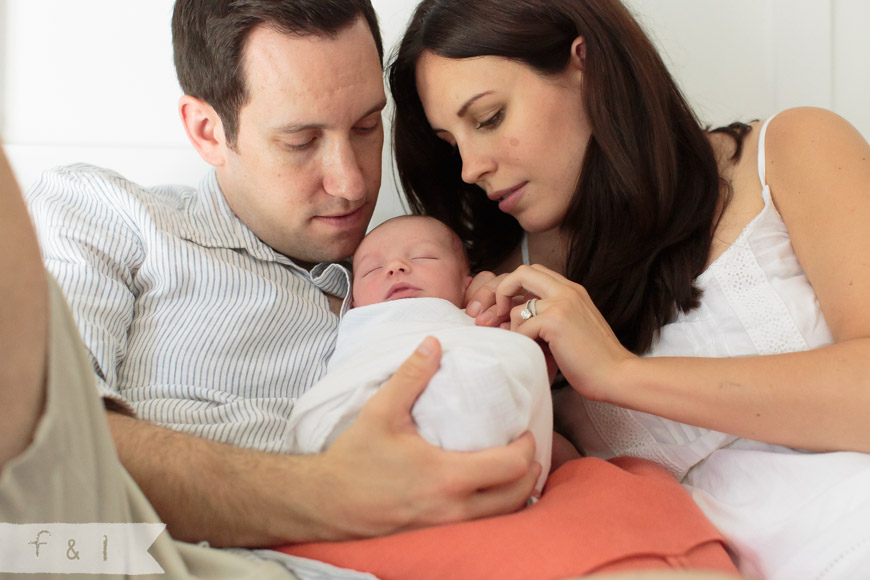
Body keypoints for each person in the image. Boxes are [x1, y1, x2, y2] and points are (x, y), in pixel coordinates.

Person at [22, 0, 540, 553]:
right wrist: (330, 495)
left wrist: (479, 327)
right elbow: (46, 442)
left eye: (367, 126)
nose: (351, 185)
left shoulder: (407, 271)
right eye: (300, 142)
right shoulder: (103, 214)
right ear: (207, 132)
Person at [388, 0, 870, 578]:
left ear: (583, 63)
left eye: (489, 118)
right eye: (450, 143)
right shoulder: (498, 298)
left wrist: (620, 374)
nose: (468, 167)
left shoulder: (789, 153)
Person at [286, 215, 554, 495]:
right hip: (363, 419)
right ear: (354, 302)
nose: (394, 267)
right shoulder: (358, 324)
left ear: (467, 284)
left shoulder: (477, 319)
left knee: (522, 352)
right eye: (371, 269)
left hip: (466, 392)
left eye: (423, 257)